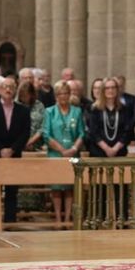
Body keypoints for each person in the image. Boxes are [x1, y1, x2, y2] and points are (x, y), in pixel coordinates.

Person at [0, 75, 32, 223]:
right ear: (0, 90)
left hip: (14, 155)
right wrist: (0, 150)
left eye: (11, 87)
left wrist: (12, 149)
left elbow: (25, 133)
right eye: (5, 87)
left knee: (12, 188)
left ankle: (10, 219)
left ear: (15, 90)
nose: (8, 90)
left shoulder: (23, 111)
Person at [44, 81, 85, 228]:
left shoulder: (77, 111)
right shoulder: (49, 112)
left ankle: (68, 219)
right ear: (56, 96)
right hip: (56, 154)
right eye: (60, 93)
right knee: (56, 187)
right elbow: (46, 134)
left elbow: (82, 133)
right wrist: (61, 150)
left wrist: (73, 148)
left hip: (73, 153)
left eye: (66, 93)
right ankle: (58, 219)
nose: (63, 96)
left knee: (69, 186)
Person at [85, 77, 133, 158]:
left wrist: (115, 149)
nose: (110, 90)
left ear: (117, 90)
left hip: (119, 153)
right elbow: (93, 132)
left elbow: (127, 131)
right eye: (107, 88)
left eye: (113, 87)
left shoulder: (124, 109)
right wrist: (107, 149)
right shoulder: (95, 109)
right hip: (98, 153)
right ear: (103, 90)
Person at [17, 79, 46, 156]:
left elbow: (43, 127)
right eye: (22, 96)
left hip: (36, 145)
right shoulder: (15, 105)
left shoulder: (39, 105)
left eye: (26, 96)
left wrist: (31, 141)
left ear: (31, 94)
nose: (24, 98)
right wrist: (23, 142)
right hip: (18, 145)